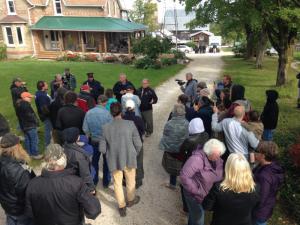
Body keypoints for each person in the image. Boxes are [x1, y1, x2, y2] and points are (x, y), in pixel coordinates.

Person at [25, 144, 101, 225]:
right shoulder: (76, 183)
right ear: (63, 159)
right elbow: (94, 211)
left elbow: (30, 214)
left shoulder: (32, 184)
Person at [100, 102, 142, 217]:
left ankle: (122, 206)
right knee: (130, 181)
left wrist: (110, 153)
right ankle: (131, 199)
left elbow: (102, 149)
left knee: (117, 183)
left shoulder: (105, 128)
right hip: (129, 157)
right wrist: (134, 153)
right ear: (121, 111)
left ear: (111, 113)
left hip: (114, 159)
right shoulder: (130, 124)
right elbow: (138, 144)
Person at [202, 153, 260, 225]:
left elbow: (206, 206)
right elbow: (257, 207)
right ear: (246, 169)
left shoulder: (218, 188)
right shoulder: (255, 188)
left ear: (228, 168)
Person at [180, 139, 225, 225]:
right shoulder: (196, 160)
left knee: (194, 216)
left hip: (205, 195)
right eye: (216, 155)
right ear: (208, 152)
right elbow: (184, 176)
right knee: (199, 219)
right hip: (193, 195)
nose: (218, 158)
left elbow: (218, 174)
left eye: (220, 154)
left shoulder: (217, 160)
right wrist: (197, 190)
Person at [0, 133, 35, 225]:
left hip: (8, 207)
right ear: (16, 147)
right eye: (20, 144)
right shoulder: (19, 170)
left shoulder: (2, 161)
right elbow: (28, 192)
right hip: (21, 210)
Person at [83, 95, 112, 187]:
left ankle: (94, 180)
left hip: (94, 140)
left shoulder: (89, 113)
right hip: (105, 141)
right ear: (104, 102)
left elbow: (85, 129)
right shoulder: (108, 113)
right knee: (106, 162)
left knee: (94, 161)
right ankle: (106, 182)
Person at [253, 141, 284, 225]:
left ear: (263, 155)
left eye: (257, 152)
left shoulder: (264, 177)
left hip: (259, 213)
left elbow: (261, 198)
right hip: (268, 206)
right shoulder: (271, 165)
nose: (255, 153)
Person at [159, 104, 189, 189]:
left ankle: (172, 184)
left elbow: (165, 134)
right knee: (182, 165)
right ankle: (183, 183)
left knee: (172, 167)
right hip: (182, 150)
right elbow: (188, 136)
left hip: (171, 149)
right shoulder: (187, 123)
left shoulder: (169, 123)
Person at [62, 127, 95, 192]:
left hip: (70, 178)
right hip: (78, 180)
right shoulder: (79, 155)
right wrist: (91, 188)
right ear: (77, 138)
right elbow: (85, 174)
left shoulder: (64, 147)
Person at [123, 99, 145, 188]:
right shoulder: (138, 119)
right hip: (137, 143)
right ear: (134, 108)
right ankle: (138, 181)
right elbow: (143, 131)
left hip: (125, 144)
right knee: (138, 162)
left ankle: (126, 180)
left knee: (126, 163)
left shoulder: (122, 119)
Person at [15, 92, 43, 159]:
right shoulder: (26, 105)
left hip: (24, 126)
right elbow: (30, 116)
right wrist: (36, 122)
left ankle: (28, 153)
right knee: (34, 140)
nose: (31, 99)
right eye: (29, 97)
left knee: (28, 139)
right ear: (24, 98)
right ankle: (35, 154)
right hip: (30, 125)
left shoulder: (18, 105)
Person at [35, 81, 52, 147]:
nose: (47, 85)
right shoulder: (42, 96)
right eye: (46, 84)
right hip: (46, 117)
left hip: (45, 115)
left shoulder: (40, 93)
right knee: (48, 129)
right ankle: (47, 145)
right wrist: (50, 114)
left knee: (49, 128)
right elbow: (44, 109)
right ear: (43, 87)